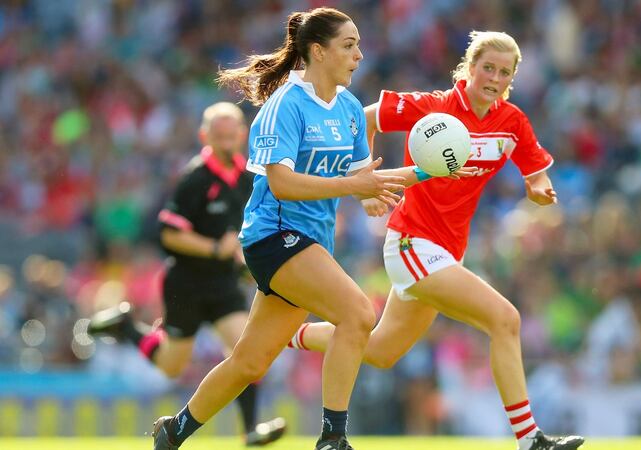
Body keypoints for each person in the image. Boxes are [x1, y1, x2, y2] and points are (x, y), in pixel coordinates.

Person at [149, 7, 460, 450]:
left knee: (249, 363)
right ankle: (333, 438)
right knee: (357, 312)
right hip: (273, 235)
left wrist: (432, 171)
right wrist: (357, 184)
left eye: (358, 45)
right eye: (349, 45)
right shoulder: (285, 106)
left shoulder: (350, 109)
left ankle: (175, 429)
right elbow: (281, 182)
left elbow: (364, 185)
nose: (359, 55)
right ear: (318, 50)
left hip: (310, 242)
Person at [286, 31, 586, 450]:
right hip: (411, 243)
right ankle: (530, 439)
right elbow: (365, 118)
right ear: (469, 67)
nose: (494, 78)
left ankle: (289, 334)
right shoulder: (435, 106)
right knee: (506, 319)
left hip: (447, 251)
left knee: (381, 350)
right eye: (487, 67)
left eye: (504, 72)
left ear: (512, 79)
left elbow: (535, 168)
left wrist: (539, 186)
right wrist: (363, 183)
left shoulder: (512, 121)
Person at [88, 101, 286, 447]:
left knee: (248, 351)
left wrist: (240, 258)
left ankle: (251, 429)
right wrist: (213, 248)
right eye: (219, 135)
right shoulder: (195, 177)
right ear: (205, 136)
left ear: (242, 135)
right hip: (187, 283)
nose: (226, 142)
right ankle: (126, 327)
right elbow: (169, 234)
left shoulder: (247, 178)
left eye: (231, 135)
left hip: (223, 282)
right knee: (171, 365)